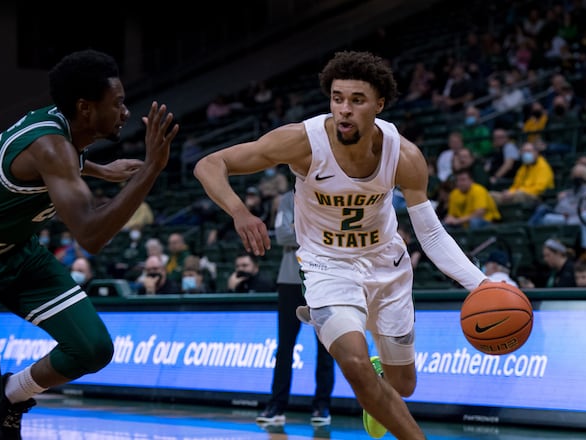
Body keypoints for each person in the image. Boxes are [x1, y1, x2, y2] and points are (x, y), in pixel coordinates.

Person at [194, 50, 488, 440]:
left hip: (386, 265)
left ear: (379, 105)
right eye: (337, 98)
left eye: (357, 100)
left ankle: (381, 386)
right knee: (353, 363)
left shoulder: (406, 156)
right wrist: (239, 211)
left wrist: (482, 285)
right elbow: (209, 164)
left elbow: (431, 234)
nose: (344, 110)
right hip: (327, 266)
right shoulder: (302, 141)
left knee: (403, 386)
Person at [0, 49, 179, 439]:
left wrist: (100, 168)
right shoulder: (51, 147)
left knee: (93, 348)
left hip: (19, 253)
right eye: (116, 103)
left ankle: (13, 394)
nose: (126, 112)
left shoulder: (60, 132)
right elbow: (91, 236)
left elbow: (62, 164)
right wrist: (150, 168)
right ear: (85, 108)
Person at [256, 188, 336, 427]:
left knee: (326, 346)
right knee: (285, 347)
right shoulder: (287, 199)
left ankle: (322, 405)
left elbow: (336, 234)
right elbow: (282, 235)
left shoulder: (332, 195)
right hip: (290, 280)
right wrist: (317, 231)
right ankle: (277, 405)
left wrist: (298, 229)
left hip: (326, 279)